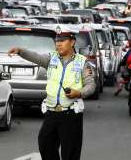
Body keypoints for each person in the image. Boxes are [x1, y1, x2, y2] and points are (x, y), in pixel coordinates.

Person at [8, 30, 96, 160]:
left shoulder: (82, 62)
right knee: (45, 144)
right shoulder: (51, 58)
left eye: (62, 41)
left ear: (72, 42)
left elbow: (91, 85)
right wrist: (21, 51)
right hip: (51, 113)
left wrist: (79, 93)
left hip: (70, 114)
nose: (58, 44)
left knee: (70, 152)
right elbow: (36, 56)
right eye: (57, 41)